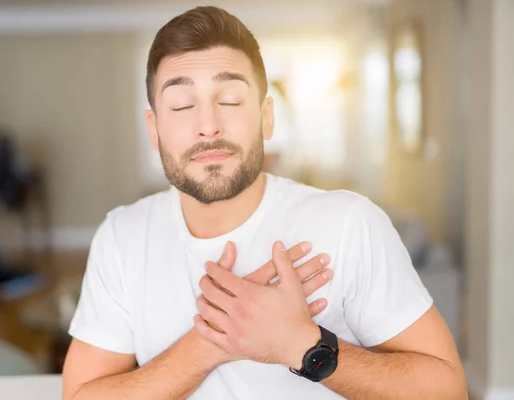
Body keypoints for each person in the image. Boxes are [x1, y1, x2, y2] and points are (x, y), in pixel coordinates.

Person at [62, 6, 467, 400]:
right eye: (182, 105)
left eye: (231, 100)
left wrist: (304, 346)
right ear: (154, 130)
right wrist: (209, 343)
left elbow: (448, 390)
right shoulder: (122, 236)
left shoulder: (349, 223)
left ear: (266, 117)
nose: (208, 125)